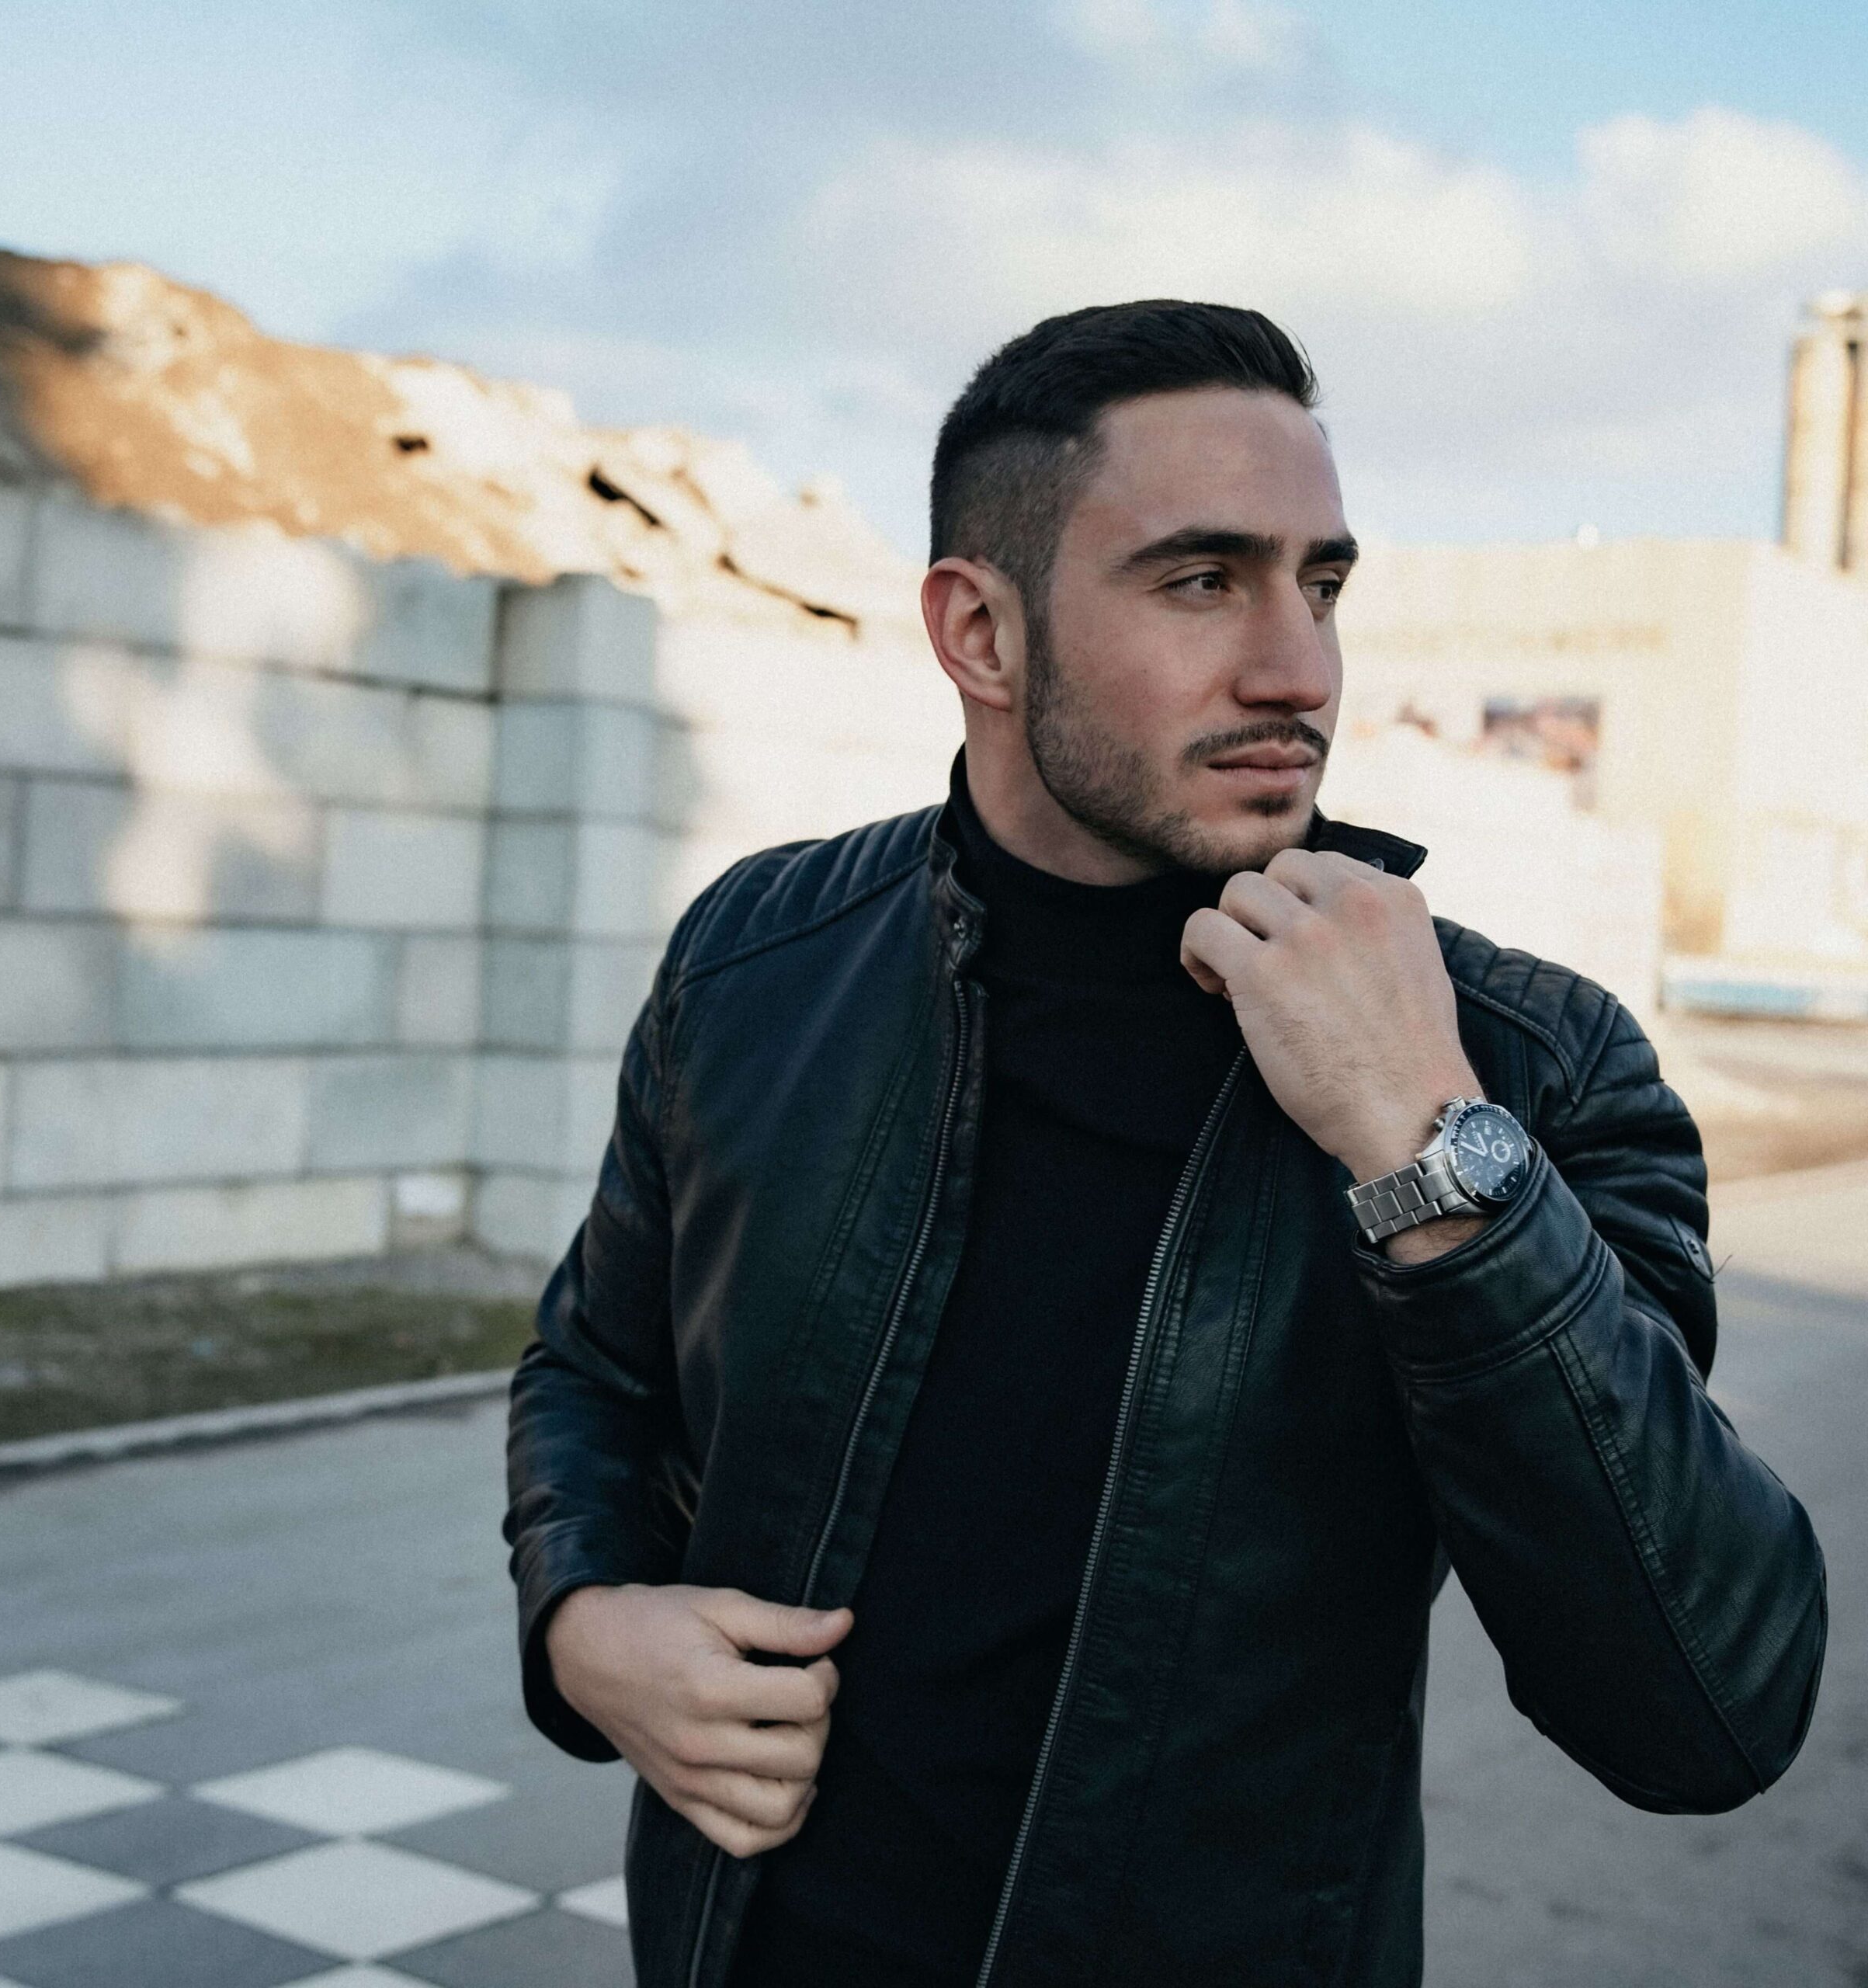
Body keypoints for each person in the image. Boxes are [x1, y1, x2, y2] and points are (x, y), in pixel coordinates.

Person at [502, 301, 1825, 1988]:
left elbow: (1709, 1704)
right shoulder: (760, 959)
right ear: (979, 631)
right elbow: (595, 1369)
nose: (1298, 668)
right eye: (1202, 579)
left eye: (1321, 584)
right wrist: (582, 1618)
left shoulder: (1517, 1063)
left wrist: (1424, 1151)